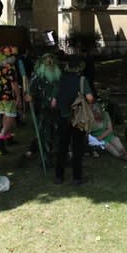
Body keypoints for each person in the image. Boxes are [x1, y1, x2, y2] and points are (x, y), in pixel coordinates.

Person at [52, 56, 94, 185]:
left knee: (62, 148)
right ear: (79, 68)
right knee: (77, 148)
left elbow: (53, 103)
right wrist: (88, 106)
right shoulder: (82, 80)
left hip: (63, 118)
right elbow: (90, 97)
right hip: (77, 119)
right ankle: (77, 178)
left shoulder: (60, 80)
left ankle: (59, 176)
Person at [24, 52, 61, 159]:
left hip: (56, 109)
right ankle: (44, 154)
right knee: (43, 130)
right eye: (47, 60)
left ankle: (54, 150)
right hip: (42, 108)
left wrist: (56, 97)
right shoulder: (37, 77)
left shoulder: (58, 75)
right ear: (42, 62)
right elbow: (31, 92)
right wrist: (30, 96)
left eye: (51, 60)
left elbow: (60, 88)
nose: (50, 62)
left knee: (55, 130)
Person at [0, 46, 22, 154]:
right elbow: (14, 84)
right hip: (9, 95)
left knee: (5, 116)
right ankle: (1, 139)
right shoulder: (10, 68)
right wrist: (18, 96)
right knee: (11, 118)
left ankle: (7, 138)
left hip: (0, 95)